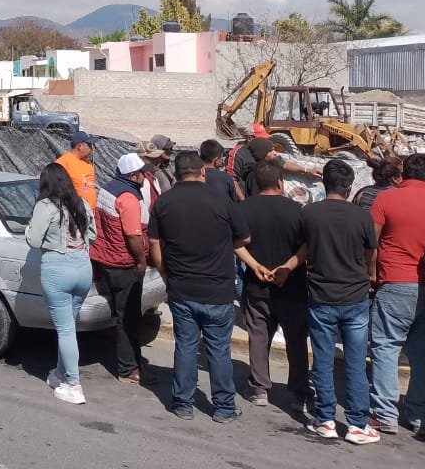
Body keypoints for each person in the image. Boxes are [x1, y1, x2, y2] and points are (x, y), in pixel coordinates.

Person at [149, 150, 267, 423]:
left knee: (186, 346)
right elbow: (244, 238)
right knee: (218, 349)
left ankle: (183, 404)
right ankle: (224, 407)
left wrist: (167, 275)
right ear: (202, 172)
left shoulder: (163, 203)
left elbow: (155, 247)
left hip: (182, 289)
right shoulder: (223, 202)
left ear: (176, 174)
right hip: (218, 291)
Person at [275, 159, 379, 444]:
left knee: (322, 360)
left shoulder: (310, 213)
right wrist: (367, 275)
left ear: (324, 183)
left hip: (321, 297)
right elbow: (371, 254)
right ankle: (358, 424)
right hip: (356, 296)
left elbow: (306, 247)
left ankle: (325, 420)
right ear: (349, 187)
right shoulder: (362, 217)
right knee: (356, 362)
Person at [367, 153, 425, 440]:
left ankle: (385, 415)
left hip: (393, 282)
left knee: (385, 347)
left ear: (404, 172)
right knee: (424, 354)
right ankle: (417, 415)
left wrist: (372, 273)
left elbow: (371, 242)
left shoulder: (386, 199)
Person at [240, 161, 310, 412]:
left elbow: (236, 242)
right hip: (292, 285)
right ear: (281, 182)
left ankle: (259, 388)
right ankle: (299, 392)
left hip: (256, 285)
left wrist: (257, 266)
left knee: (258, 335)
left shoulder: (244, 209)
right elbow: (307, 246)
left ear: (257, 184)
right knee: (296, 340)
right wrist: (287, 268)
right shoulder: (298, 210)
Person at [26, 162, 96, 405]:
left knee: (65, 329)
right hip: (83, 268)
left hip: (58, 268)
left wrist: (28, 230)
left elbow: (34, 240)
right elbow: (94, 236)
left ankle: (74, 385)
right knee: (69, 328)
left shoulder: (46, 206)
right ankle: (60, 374)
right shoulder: (82, 204)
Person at [90, 152, 150, 385]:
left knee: (120, 314)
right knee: (128, 318)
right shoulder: (129, 199)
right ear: (134, 176)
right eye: (142, 172)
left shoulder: (107, 189)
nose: (146, 175)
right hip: (123, 264)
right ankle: (128, 369)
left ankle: (130, 360)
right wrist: (141, 261)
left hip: (105, 259)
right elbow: (133, 235)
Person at [56, 131, 99, 208]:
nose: (92, 148)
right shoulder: (62, 163)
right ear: (79, 146)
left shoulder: (87, 163)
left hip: (91, 211)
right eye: (89, 145)